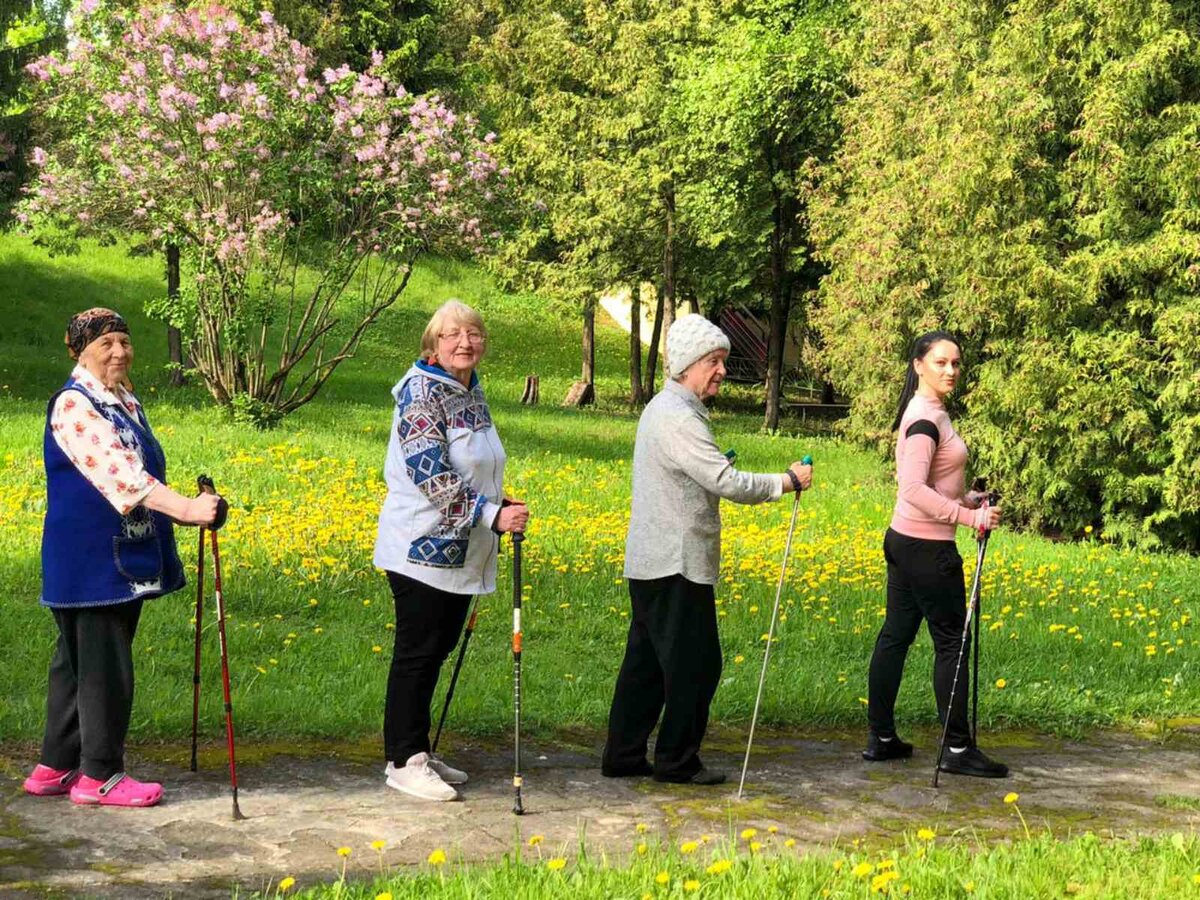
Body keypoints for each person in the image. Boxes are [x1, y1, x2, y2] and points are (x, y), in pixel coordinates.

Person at [602, 314, 813, 785]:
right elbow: (725, 481)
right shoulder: (677, 416)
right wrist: (787, 481)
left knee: (649, 665)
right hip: (674, 562)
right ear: (687, 365)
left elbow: (697, 476)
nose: (721, 370)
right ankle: (677, 762)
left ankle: (623, 755)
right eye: (714, 362)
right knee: (697, 666)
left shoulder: (671, 409)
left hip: (655, 559)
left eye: (723, 361)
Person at [25, 308, 221, 808]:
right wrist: (187, 510)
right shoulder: (75, 405)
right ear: (79, 350)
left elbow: (138, 470)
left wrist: (188, 510)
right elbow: (123, 478)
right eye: (106, 343)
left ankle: (55, 765)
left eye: (125, 342)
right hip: (94, 559)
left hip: (110, 555)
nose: (119, 351)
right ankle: (100, 776)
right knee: (104, 665)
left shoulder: (119, 399)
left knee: (76, 661)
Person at [374, 299, 529, 802]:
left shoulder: (468, 389)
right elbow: (430, 472)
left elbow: (473, 464)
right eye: (452, 335)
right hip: (421, 545)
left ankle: (416, 747)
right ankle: (402, 760)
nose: (465, 342)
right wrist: (490, 514)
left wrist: (498, 500)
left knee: (435, 651)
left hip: (459, 547)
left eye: (474, 333)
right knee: (418, 654)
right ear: (433, 344)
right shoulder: (422, 392)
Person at [863, 330, 1008, 778]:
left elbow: (935, 488)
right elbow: (912, 490)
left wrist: (968, 501)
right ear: (918, 366)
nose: (951, 371)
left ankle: (882, 738)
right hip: (927, 549)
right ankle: (958, 749)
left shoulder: (929, 413)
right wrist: (972, 521)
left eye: (956, 364)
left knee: (896, 635)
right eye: (941, 362)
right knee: (952, 642)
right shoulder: (924, 420)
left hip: (907, 542)